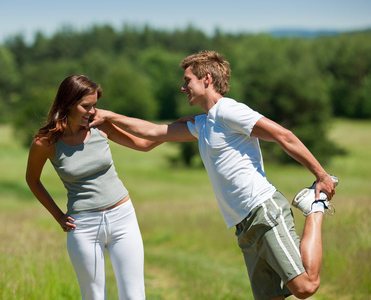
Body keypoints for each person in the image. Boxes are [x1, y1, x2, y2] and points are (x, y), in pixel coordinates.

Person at [88, 51, 338, 300]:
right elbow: (151, 133)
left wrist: (321, 175)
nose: (183, 86)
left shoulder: (229, 111)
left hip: (263, 209)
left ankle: (315, 206)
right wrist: (107, 120)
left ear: (206, 78)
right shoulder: (203, 124)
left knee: (305, 286)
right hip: (243, 224)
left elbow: (284, 135)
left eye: (188, 80)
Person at [25, 75, 161, 300]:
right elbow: (32, 180)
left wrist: (176, 129)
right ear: (67, 103)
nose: (92, 112)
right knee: (94, 296)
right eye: (86, 106)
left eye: (94, 105)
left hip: (122, 218)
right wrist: (59, 216)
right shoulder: (45, 142)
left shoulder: (101, 126)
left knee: (134, 295)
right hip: (84, 228)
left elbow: (144, 144)